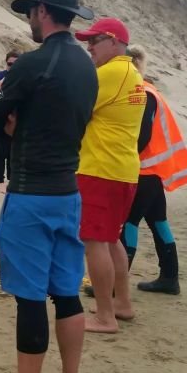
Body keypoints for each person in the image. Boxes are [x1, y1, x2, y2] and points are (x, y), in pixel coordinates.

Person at [0, 0, 97, 373]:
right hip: (68, 192)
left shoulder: (31, 62)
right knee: (66, 293)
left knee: (30, 299)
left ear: (42, 11)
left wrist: (13, 120)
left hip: (30, 195)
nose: (29, 18)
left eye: (31, 10)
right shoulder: (87, 64)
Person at [73, 18, 145, 334]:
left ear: (114, 42)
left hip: (100, 169)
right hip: (122, 169)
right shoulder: (132, 74)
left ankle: (105, 316)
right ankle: (122, 304)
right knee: (110, 237)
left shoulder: (111, 72)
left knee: (93, 240)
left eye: (95, 40)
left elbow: (76, 109)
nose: (89, 47)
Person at [120, 46, 187, 295]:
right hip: (153, 171)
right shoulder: (150, 92)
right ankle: (169, 277)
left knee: (129, 223)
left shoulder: (143, 94)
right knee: (158, 222)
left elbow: (140, 137)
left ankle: (114, 284)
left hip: (144, 170)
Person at [0, 50, 20, 193]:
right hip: (0, 119)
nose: (12, 66)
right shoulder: (0, 76)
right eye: (10, 64)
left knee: (14, 152)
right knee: (0, 151)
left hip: (17, 121)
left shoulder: (23, 78)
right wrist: (9, 75)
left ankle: (12, 180)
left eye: (16, 64)